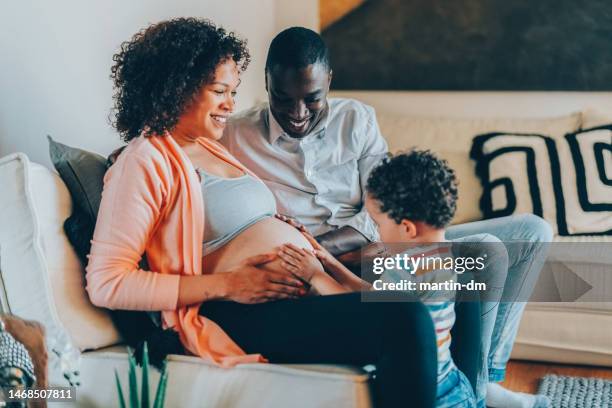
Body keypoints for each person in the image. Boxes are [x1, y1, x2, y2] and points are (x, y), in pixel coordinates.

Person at [87, 18, 437, 408]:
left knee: (454, 286)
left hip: (310, 282)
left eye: (233, 92)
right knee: (405, 318)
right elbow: (108, 283)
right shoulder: (144, 159)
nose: (230, 105)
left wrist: (301, 244)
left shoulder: (213, 147)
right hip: (239, 309)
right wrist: (231, 285)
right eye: (220, 91)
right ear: (176, 88)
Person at [221, 26, 553, 408]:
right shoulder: (236, 134)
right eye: (282, 99)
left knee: (530, 232)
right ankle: (475, 391)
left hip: (378, 242)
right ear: (266, 83)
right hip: (324, 263)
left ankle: (485, 379)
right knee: (482, 253)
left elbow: (381, 208)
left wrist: (323, 247)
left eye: (311, 99)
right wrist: (312, 257)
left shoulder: (358, 120)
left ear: (329, 81)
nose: (296, 114)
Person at [278, 150, 480, 407]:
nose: (378, 234)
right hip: (452, 383)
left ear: (407, 228)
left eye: (378, 224)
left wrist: (315, 275)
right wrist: (331, 263)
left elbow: (365, 312)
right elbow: (377, 297)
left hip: (430, 392)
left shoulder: (408, 266)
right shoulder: (440, 256)